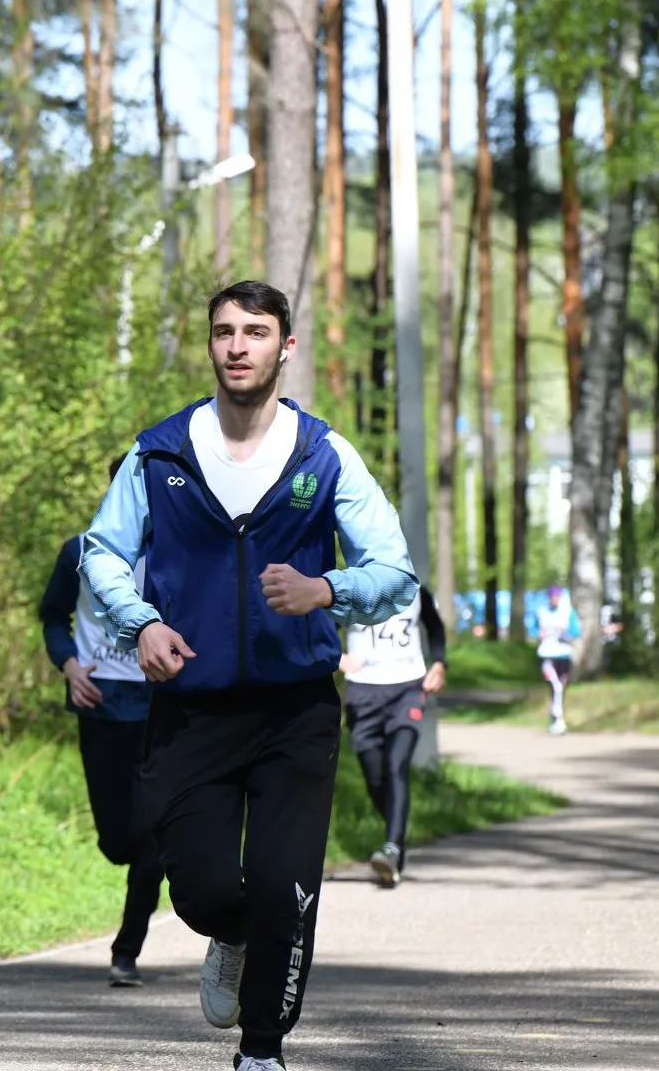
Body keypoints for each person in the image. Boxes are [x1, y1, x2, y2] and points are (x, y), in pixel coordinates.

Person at [81, 281, 417, 1071]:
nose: (238, 345)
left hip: (293, 711)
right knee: (197, 889)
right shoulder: (159, 450)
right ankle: (228, 936)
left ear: (285, 348)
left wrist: (325, 590)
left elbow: (394, 571)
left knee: (283, 886)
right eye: (225, 331)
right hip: (190, 711)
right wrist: (143, 623)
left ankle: (261, 1049)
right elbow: (101, 551)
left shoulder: (323, 453)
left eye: (256, 332)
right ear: (210, 344)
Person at [36, 455, 167, 988]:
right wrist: (68, 665)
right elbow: (52, 616)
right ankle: (139, 863)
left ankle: (126, 951)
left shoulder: (178, 556)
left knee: (152, 839)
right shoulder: (79, 552)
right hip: (102, 705)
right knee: (119, 841)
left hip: (163, 709)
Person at [339, 589, 447, 888]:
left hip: (408, 688)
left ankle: (391, 847)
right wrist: (336, 656)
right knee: (375, 779)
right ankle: (396, 837)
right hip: (363, 693)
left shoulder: (416, 591)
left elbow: (435, 627)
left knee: (396, 765)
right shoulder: (348, 588)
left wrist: (439, 663)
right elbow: (316, 623)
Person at [534, 586, 582, 735]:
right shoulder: (542, 612)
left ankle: (557, 720)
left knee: (560, 687)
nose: (554, 599)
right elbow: (533, 628)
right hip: (547, 654)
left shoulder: (568, 612)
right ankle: (558, 719)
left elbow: (576, 631)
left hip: (563, 654)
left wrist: (565, 634)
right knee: (555, 686)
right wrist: (539, 634)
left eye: (557, 597)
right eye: (552, 597)